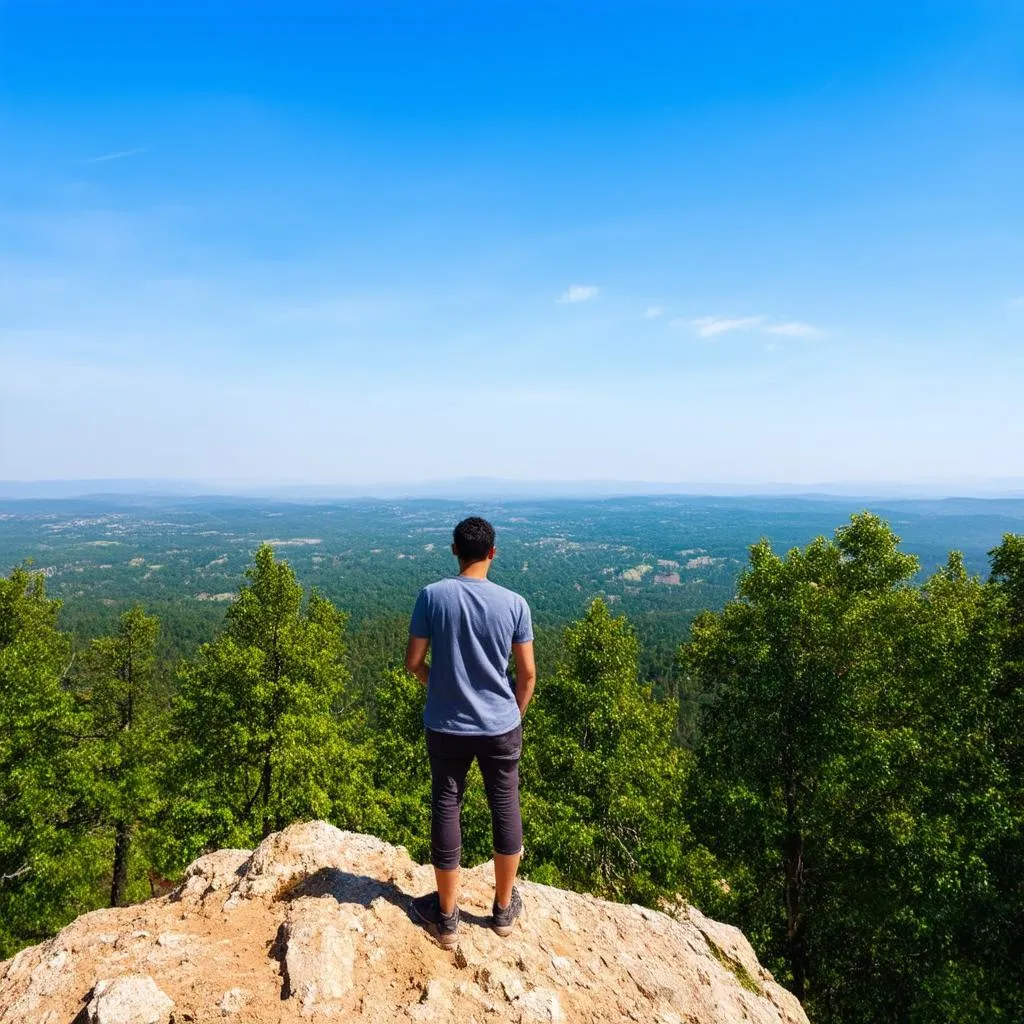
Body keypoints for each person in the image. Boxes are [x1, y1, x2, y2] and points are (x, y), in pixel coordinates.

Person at [405, 516, 536, 948]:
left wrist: (441, 686)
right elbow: (527, 674)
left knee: (446, 804)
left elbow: (413, 663)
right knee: (505, 804)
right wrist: (510, 716)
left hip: (446, 723)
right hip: (500, 724)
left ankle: (445, 918)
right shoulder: (515, 604)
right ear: (492, 553)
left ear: (454, 550)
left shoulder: (432, 597)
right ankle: (501, 911)